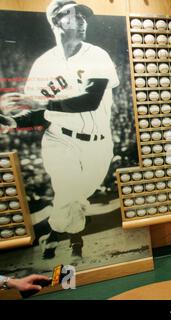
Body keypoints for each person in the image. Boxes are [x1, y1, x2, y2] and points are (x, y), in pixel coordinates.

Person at [0, 0, 119, 260]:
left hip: (100, 143)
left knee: (78, 196)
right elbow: (41, 114)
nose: (82, 21)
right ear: (56, 21)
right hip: (60, 140)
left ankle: (52, 234)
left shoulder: (97, 55)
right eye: (73, 16)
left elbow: (91, 99)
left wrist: (42, 103)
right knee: (68, 189)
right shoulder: (42, 65)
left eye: (83, 17)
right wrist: (16, 121)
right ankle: (76, 244)